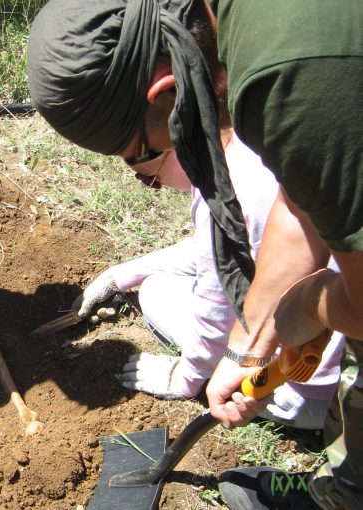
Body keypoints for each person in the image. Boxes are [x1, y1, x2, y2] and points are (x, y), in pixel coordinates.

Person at [26, 1, 362, 508]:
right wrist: (249, 341)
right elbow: (301, 202)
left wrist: (306, 304)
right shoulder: (255, 44)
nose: (147, 182)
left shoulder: (288, 82)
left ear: (167, 91)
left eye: (140, 156)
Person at [79, 131, 344, 429]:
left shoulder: (221, 191)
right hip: (344, 373)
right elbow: (219, 251)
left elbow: (215, 310)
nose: (156, 188)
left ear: (171, 145)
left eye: (150, 178)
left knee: (155, 292)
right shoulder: (255, 148)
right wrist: (122, 275)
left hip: (302, 392)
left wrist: (186, 377)